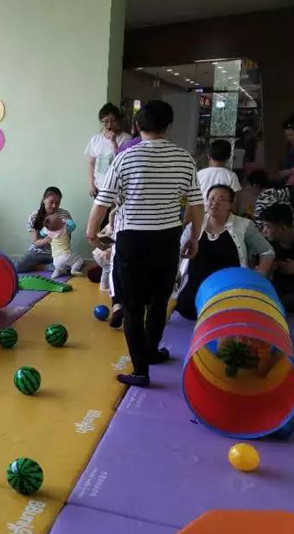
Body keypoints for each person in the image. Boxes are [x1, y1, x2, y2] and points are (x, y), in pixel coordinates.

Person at [87, 100, 204, 388]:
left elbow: (102, 201)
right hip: (167, 239)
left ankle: (141, 369)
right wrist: (195, 238)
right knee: (159, 302)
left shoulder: (125, 158)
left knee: (133, 306)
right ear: (169, 126)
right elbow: (197, 204)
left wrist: (92, 234)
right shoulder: (184, 158)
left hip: (133, 240)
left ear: (137, 125)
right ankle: (151, 352)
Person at [175, 184, 275, 320]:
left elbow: (267, 252)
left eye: (221, 200)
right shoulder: (195, 225)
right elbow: (177, 253)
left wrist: (257, 278)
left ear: (231, 204)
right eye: (211, 199)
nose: (214, 203)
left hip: (230, 292)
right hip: (195, 292)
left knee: (228, 316)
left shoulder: (244, 226)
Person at [12, 186, 73, 273]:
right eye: (51, 202)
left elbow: (68, 237)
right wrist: (46, 240)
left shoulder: (64, 214)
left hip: (57, 253)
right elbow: (35, 242)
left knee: (71, 267)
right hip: (38, 252)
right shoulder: (35, 216)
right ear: (44, 200)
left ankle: (49, 266)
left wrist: (62, 246)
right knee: (18, 266)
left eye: (57, 203)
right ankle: (43, 267)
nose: (54, 206)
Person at [86, 102, 132, 198]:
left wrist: (113, 142)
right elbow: (91, 162)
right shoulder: (96, 139)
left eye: (113, 120)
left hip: (118, 189)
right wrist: (91, 184)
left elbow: (123, 162)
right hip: (99, 187)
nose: (109, 124)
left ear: (118, 120)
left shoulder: (127, 139)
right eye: (105, 121)